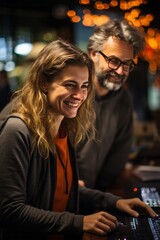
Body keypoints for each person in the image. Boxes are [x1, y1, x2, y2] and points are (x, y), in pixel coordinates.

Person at [0, 39, 158, 240]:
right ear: (43, 83)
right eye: (69, 85)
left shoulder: (64, 129)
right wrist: (79, 222)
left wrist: (114, 202)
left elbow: (66, 194)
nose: (80, 95)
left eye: (84, 86)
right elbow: (10, 210)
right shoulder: (17, 130)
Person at [76, 18, 145, 191]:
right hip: (56, 200)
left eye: (127, 64)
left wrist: (102, 200)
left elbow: (118, 157)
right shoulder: (70, 92)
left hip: (96, 199)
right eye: (114, 61)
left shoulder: (123, 99)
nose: (121, 71)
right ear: (93, 53)